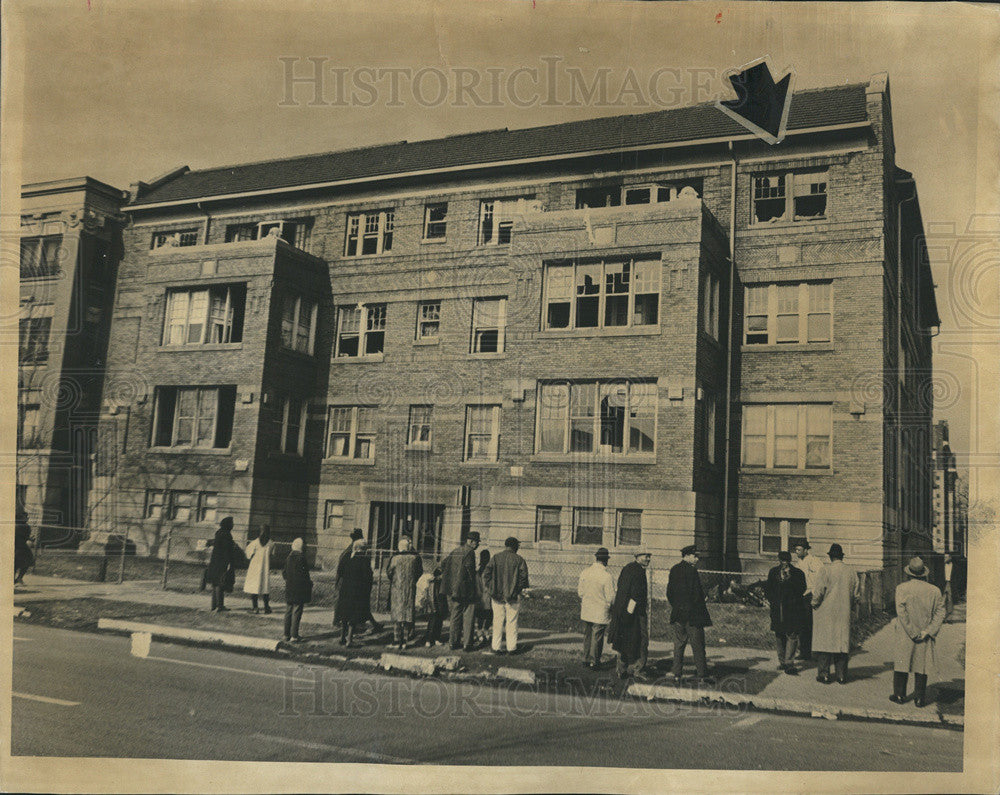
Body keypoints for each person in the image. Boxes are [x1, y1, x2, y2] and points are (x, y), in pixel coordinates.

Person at [891, 556, 946, 707]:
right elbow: (941, 613)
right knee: (921, 666)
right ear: (924, 573)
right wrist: (927, 631)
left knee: (902, 662)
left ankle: (900, 695)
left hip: (905, 633)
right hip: (924, 634)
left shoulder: (902, 588)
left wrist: (912, 631)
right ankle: (919, 698)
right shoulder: (934, 591)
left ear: (909, 573)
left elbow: (901, 612)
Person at [811, 543, 858, 684]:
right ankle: (841, 675)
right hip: (844, 612)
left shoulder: (825, 570)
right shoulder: (851, 571)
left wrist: (814, 603)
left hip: (826, 611)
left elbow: (819, 591)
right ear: (841, 556)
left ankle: (824, 674)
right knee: (841, 644)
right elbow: (856, 595)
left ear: (830, 556)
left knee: (825, 643)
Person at [667, 545, 714, 685]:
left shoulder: (674, 569)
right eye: (695, 556)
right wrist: (702, 599)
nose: (697, 558)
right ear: (687, 556)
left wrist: (676, 606)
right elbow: (696, 594)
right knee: (698, 646)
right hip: (692, 616)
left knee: (679, 645)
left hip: (678, 614)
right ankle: (702, 675)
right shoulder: (692, 571)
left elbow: (669, 592)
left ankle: (677, 674)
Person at [609, 548, 652, 680]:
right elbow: (635, 594)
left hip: (622, 610)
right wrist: (629, 613)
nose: (648, 558)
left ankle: (621, 668)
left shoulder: (627, 568)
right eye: (646, 556)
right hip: (634, 612)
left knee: (624, 638)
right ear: (637, 556)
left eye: (649, 556)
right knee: (642, 639)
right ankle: (638, 668)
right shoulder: (639, 572)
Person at [482, 536, 530, 655]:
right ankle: (511, 648)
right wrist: (517, 590)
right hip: (512, 597)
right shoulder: (519, 560)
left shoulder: (496, 558)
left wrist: (491, 588)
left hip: (496, 596)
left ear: (506, 545)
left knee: (497, 621)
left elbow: (486, 575)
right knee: (512, 622)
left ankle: (496, 647)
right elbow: (524, 579)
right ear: (515, 547)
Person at [764, 551, 807, 674]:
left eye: (786, 561)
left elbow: (801, 589)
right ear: (779, 560)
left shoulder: (798, 574)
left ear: (790, 561)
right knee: (779, 635)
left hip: (792, 609)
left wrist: (790, 579)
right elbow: (768, 590)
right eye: (782, 561)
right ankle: (782, 661)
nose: (784, 563)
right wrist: (773, 601)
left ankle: (789, 663)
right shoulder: (773, 572)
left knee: (792, 635)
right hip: (778, 609)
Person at [335, 529, 382, 634]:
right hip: (353, 586)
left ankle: (372, 624)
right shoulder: (351, 553)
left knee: (352, 607)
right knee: (354, 608)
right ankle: (348, 632)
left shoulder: (350, 551)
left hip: (347, 585)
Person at [441, 531, 480, 651]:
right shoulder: (470, 552)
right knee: (468, 615)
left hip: (452, 589)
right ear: (471, 542)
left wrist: (451, 579)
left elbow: (443, 564)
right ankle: (467, 644)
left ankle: (453, 642)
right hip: (465, 590)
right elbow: (469, 572)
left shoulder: (455, 550)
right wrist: (473, 588)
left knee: (455, 616)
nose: (477, 545)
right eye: (477, 542)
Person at [577, 547, 616, 669]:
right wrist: (610, 606)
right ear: (606, 561)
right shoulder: (606, 576)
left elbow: (580, 592)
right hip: (600, 610)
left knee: (587, 635)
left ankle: (585, 659)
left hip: (587, 609)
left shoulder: (585, 572)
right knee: (597, 637)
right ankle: (594, 661)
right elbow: (611, 597)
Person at [386, 536, 423, 650]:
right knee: (407, 615)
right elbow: (419, 572)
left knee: (398, 616)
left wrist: (395, 579)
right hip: (410, 589)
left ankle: (397, 640)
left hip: (397, 589)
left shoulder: (395, 558)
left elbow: (389, 572)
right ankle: (406, 641)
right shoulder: (414, 558)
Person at [335, 539, 374, 647]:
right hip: (357, 591)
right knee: (353, 615)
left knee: (344, 614)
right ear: (363, 549)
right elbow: (367, 576)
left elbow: (340, 571)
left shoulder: (347, 556)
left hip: (345, 589)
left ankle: (342, 637)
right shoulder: (364, 559)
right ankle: (349, 640)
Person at [792, 540, 824, 659]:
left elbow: (820, 578)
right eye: (796, 550)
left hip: (810, 594)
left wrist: (814, 594)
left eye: (799, 550)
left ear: (806, 550)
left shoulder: (815, 561)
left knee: (810, 625)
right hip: (801, 595)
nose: (797, 552)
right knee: (802, 625)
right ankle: (804, 652)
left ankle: (813, 652)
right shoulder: (799, 562)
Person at [282, 537, 312, 643]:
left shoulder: (289, 557)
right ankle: (294, 636)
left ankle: (286, 635)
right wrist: (308, 584)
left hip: (289, 587)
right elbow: (305, 574)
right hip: (299, 588)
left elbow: (284, 573)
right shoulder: (301, 558)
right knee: (297, 611)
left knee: (288, 611)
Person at [205, 517, 238, 612]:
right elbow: (226, 550)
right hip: (222, 562)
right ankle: (220, 606)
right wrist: (228, 563)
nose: (233, 525)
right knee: (220, 584)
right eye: (232, 523)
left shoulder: (219, 533)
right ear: (228, 525)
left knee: (215, 584)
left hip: (215, 562)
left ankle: (214, 605)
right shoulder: (227, 535)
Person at [243, 525, 273, 613]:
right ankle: (266, 607)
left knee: (255, 587)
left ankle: (255, 608)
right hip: (265, 568)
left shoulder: (254, 543)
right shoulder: (271, 543)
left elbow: (248, 555)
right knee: (265, 587)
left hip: (255, 568)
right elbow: (272, 555)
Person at [417, 564, 448, 646]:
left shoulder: (441, 584)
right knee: (432, 624)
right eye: (442, 575)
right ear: (438, 575)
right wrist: (433, 608)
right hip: (434, 607)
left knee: (439, 623)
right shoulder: (432, 584)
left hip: (440, 606)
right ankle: (428, 639)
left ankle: (437, 638)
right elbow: (431, 597)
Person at [474, 549, 493, 646]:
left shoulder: (478, 571)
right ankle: (486, 631)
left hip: (479, 597)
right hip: (488, 597)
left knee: (480, 616)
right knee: (489, 615)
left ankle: (479, 632)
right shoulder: (490, 571)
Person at [14, 511, 35, 585]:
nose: (27, 518)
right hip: (19, 547)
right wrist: (30, 539)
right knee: (22, 561)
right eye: (25, 517)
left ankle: (18, 578)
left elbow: (24, 537)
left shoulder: (24, 526)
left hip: (20, 547)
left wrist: (29, 538)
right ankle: (18, 578)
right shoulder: (23, 526)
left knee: (24, 561)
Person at [942, 552, 954, 617]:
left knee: (950, 599)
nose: (945, 559)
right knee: (943, 599)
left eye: (946, 557)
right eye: (944, 557)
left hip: (950, 583)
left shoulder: (954, 566)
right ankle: (943, 616)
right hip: (944, 583)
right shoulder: (942, 566)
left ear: (950, 557)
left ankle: (949, 616)